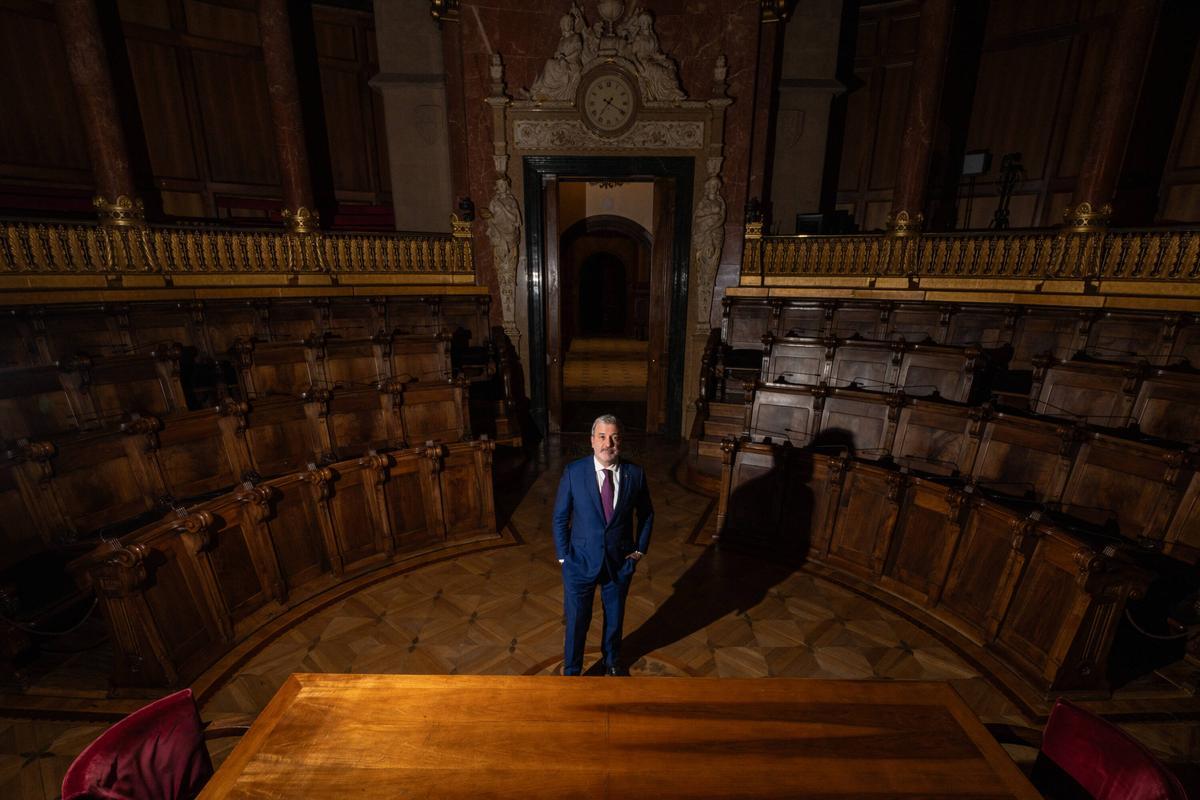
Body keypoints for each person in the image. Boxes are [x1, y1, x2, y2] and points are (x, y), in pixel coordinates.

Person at [553, 414, 654, 676]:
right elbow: (561, 516)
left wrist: (639, 550)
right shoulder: (574, 472)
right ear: (592, 441)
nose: (607, 443)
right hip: (579, 561)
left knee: (614, 620)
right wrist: (564, 557)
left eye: (614, 437)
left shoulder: (635, 474)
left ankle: (611, 663)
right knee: (576, 622)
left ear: (621, 441)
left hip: (619, 562)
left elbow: (647, 513)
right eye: (602, 437)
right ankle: (573, 671)